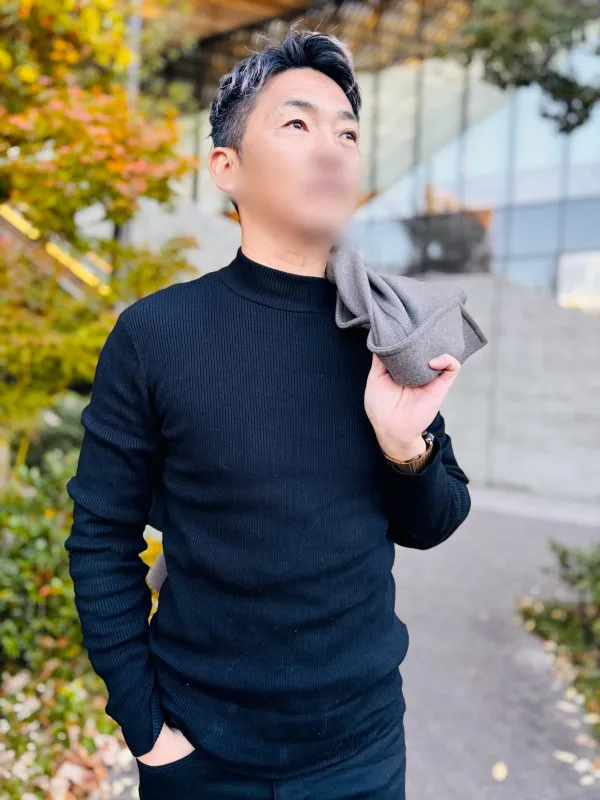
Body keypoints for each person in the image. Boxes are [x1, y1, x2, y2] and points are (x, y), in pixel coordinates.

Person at [65, 28, 472, 800]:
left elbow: (436, 520)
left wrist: (404, 445)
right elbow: (101, 538)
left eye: (347, 134)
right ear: (227, 167)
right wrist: (146, 731)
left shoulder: (386, 329)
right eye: (296, 123)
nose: (332, 149)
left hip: (361, 754)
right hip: (199, 755)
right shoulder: (155, 335)